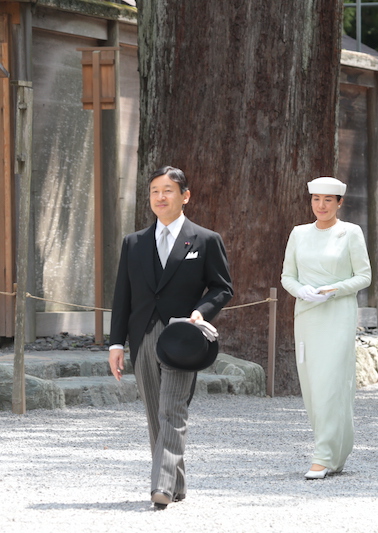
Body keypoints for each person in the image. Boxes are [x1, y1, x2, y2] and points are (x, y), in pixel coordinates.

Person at [108, 166, 234, 510]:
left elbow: (222, 288)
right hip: (143, 336)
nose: (160, 197)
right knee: (154, 412)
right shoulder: (133, 243)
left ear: (185, 196)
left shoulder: (206, 239)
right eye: (154, 191)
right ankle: (175, 484)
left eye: (168, 191)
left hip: (183, 336)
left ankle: (160, 486)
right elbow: (123, 297)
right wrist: (116, 344)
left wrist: (200, 312)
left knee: (172, 408)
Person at [281, 177, 371, 479]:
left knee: (331, 383)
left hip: (337, 314)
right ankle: (337, 450)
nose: (321, 205)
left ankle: (323, 455)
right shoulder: (298, 234)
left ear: (339, 202)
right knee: (311, 383)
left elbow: (364, 276)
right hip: (307, 314)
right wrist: (300, 291)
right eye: (316, 199)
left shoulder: (350, 233)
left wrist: (335, 288)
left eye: (328, 200)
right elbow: (287, 276)